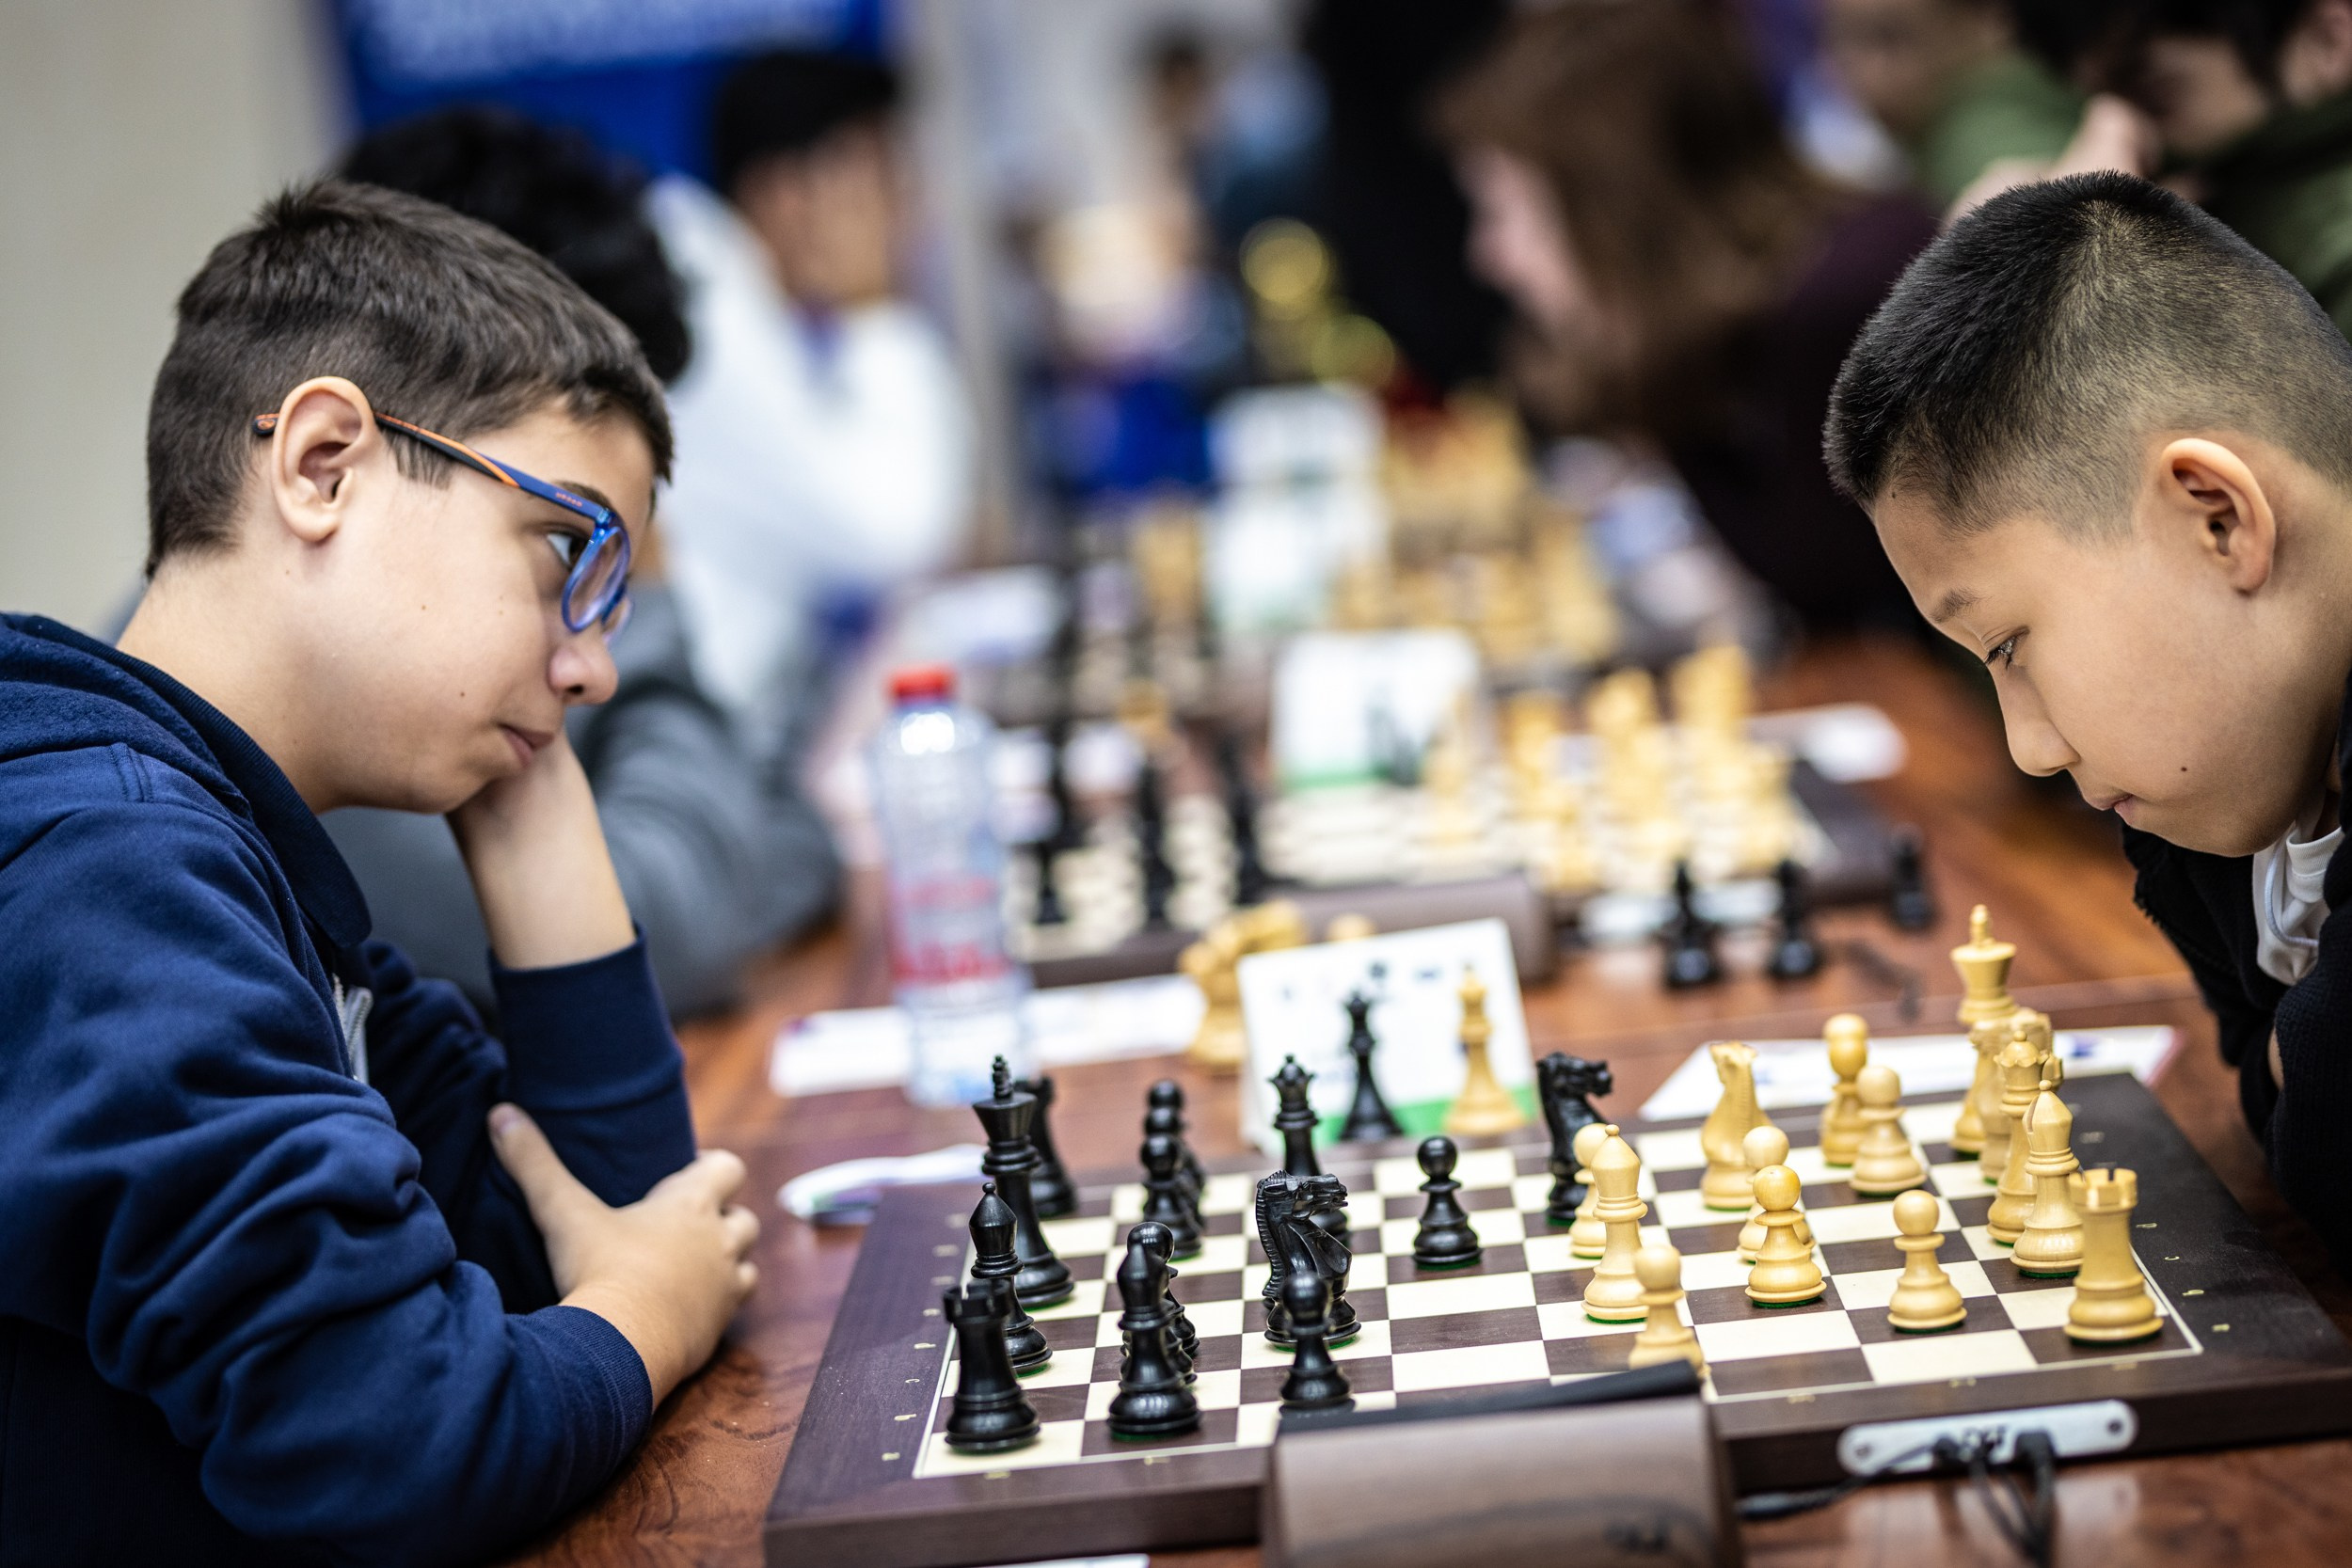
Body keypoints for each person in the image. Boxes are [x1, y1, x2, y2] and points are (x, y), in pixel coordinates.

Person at [0, 182, 758, 1562]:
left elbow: (574, 1229)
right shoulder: (106, 872)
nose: (593, 665)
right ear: (325, 463)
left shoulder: (242, 853)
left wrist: (530, 783)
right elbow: (396, 1439)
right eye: (565, 553)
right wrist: (651, 1308)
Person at [1823, 171, 2352, 1267]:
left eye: (2009, 646)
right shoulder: (2228, 767)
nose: (2030, 744)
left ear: (2216, 518)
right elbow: (2277, 1096)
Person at [332, 105, 842, 1020]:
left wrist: (707, 879)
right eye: (578, 521)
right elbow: (669, 936)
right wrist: (639, 577)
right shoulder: (335, 696)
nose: (593, 659)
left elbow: (789, 847)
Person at [1436, 0, 1938, 635]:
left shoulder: (1843, 308)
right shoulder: (1736, 330)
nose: (1491, 257)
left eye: (1510, 212)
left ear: (1617, 210)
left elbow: (1830, 600)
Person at [648, 49, 971, 764]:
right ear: (785, 191)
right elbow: (894, 532)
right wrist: (878, 308)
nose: (908, 213)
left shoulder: (730, 282)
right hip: (711, 753)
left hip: (745, 720)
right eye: (883, 178)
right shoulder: (703, 297)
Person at [1820, 0, 2084, 207]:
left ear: (1990, 22)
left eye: (1890, 39)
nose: (1861, 75)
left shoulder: (1977, 139)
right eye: (1837, 39)